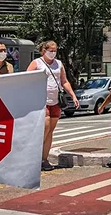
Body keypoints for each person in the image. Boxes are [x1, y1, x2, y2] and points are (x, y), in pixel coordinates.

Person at [27, 41, 80, 171]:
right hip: (41, 101)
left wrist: (73, 95)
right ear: (43, 51)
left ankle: (44, 160)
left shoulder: (59, 64)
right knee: (44, 128)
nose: (53, 53)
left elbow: (64, 81)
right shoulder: (37, 63)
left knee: (50, 130)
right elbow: (27, 78)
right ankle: (33, 156)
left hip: (55, 101)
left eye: (55, 50)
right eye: (50, 50)